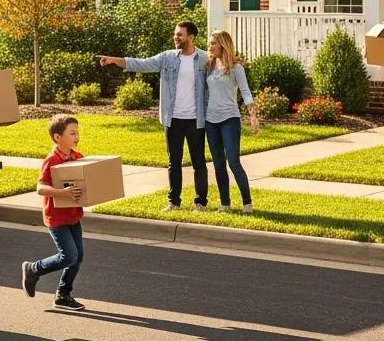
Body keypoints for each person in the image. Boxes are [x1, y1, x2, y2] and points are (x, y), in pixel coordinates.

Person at [99, 20, 209, 212]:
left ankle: (201, 202)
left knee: (198, 162)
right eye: (175, 34)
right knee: (173, 162)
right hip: (172, 119)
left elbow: (224, 67)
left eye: (180, 35)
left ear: (191, 37)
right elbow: (142, 64)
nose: (176, 37)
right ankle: (174, 201)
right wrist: (116, 60)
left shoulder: (205, 59)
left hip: (196, 119)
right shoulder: (167, 57)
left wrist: (236, 62)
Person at [20, 114, 87, 311]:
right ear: (58, 137)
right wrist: (62, 193)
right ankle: (33, 269)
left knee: (78, 257)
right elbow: (40, 188)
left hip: (73, 215)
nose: (76, 136)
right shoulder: (52, 160)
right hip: (56, 217)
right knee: (69, 256)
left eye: (77, 132)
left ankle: (63, 295)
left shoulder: (78, 157)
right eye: (72, 133)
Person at [204, 29, 258, 213]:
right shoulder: (208, 65)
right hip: (211, 120)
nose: (209, 46)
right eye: (209, 43)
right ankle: (225, 203)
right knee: (218, 163)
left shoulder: (236, 68)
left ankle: (247, 203)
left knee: (233, 162)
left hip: (230, 119)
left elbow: (245, 92)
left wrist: (252, 116)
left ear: (223, 45)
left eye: (213, 43)